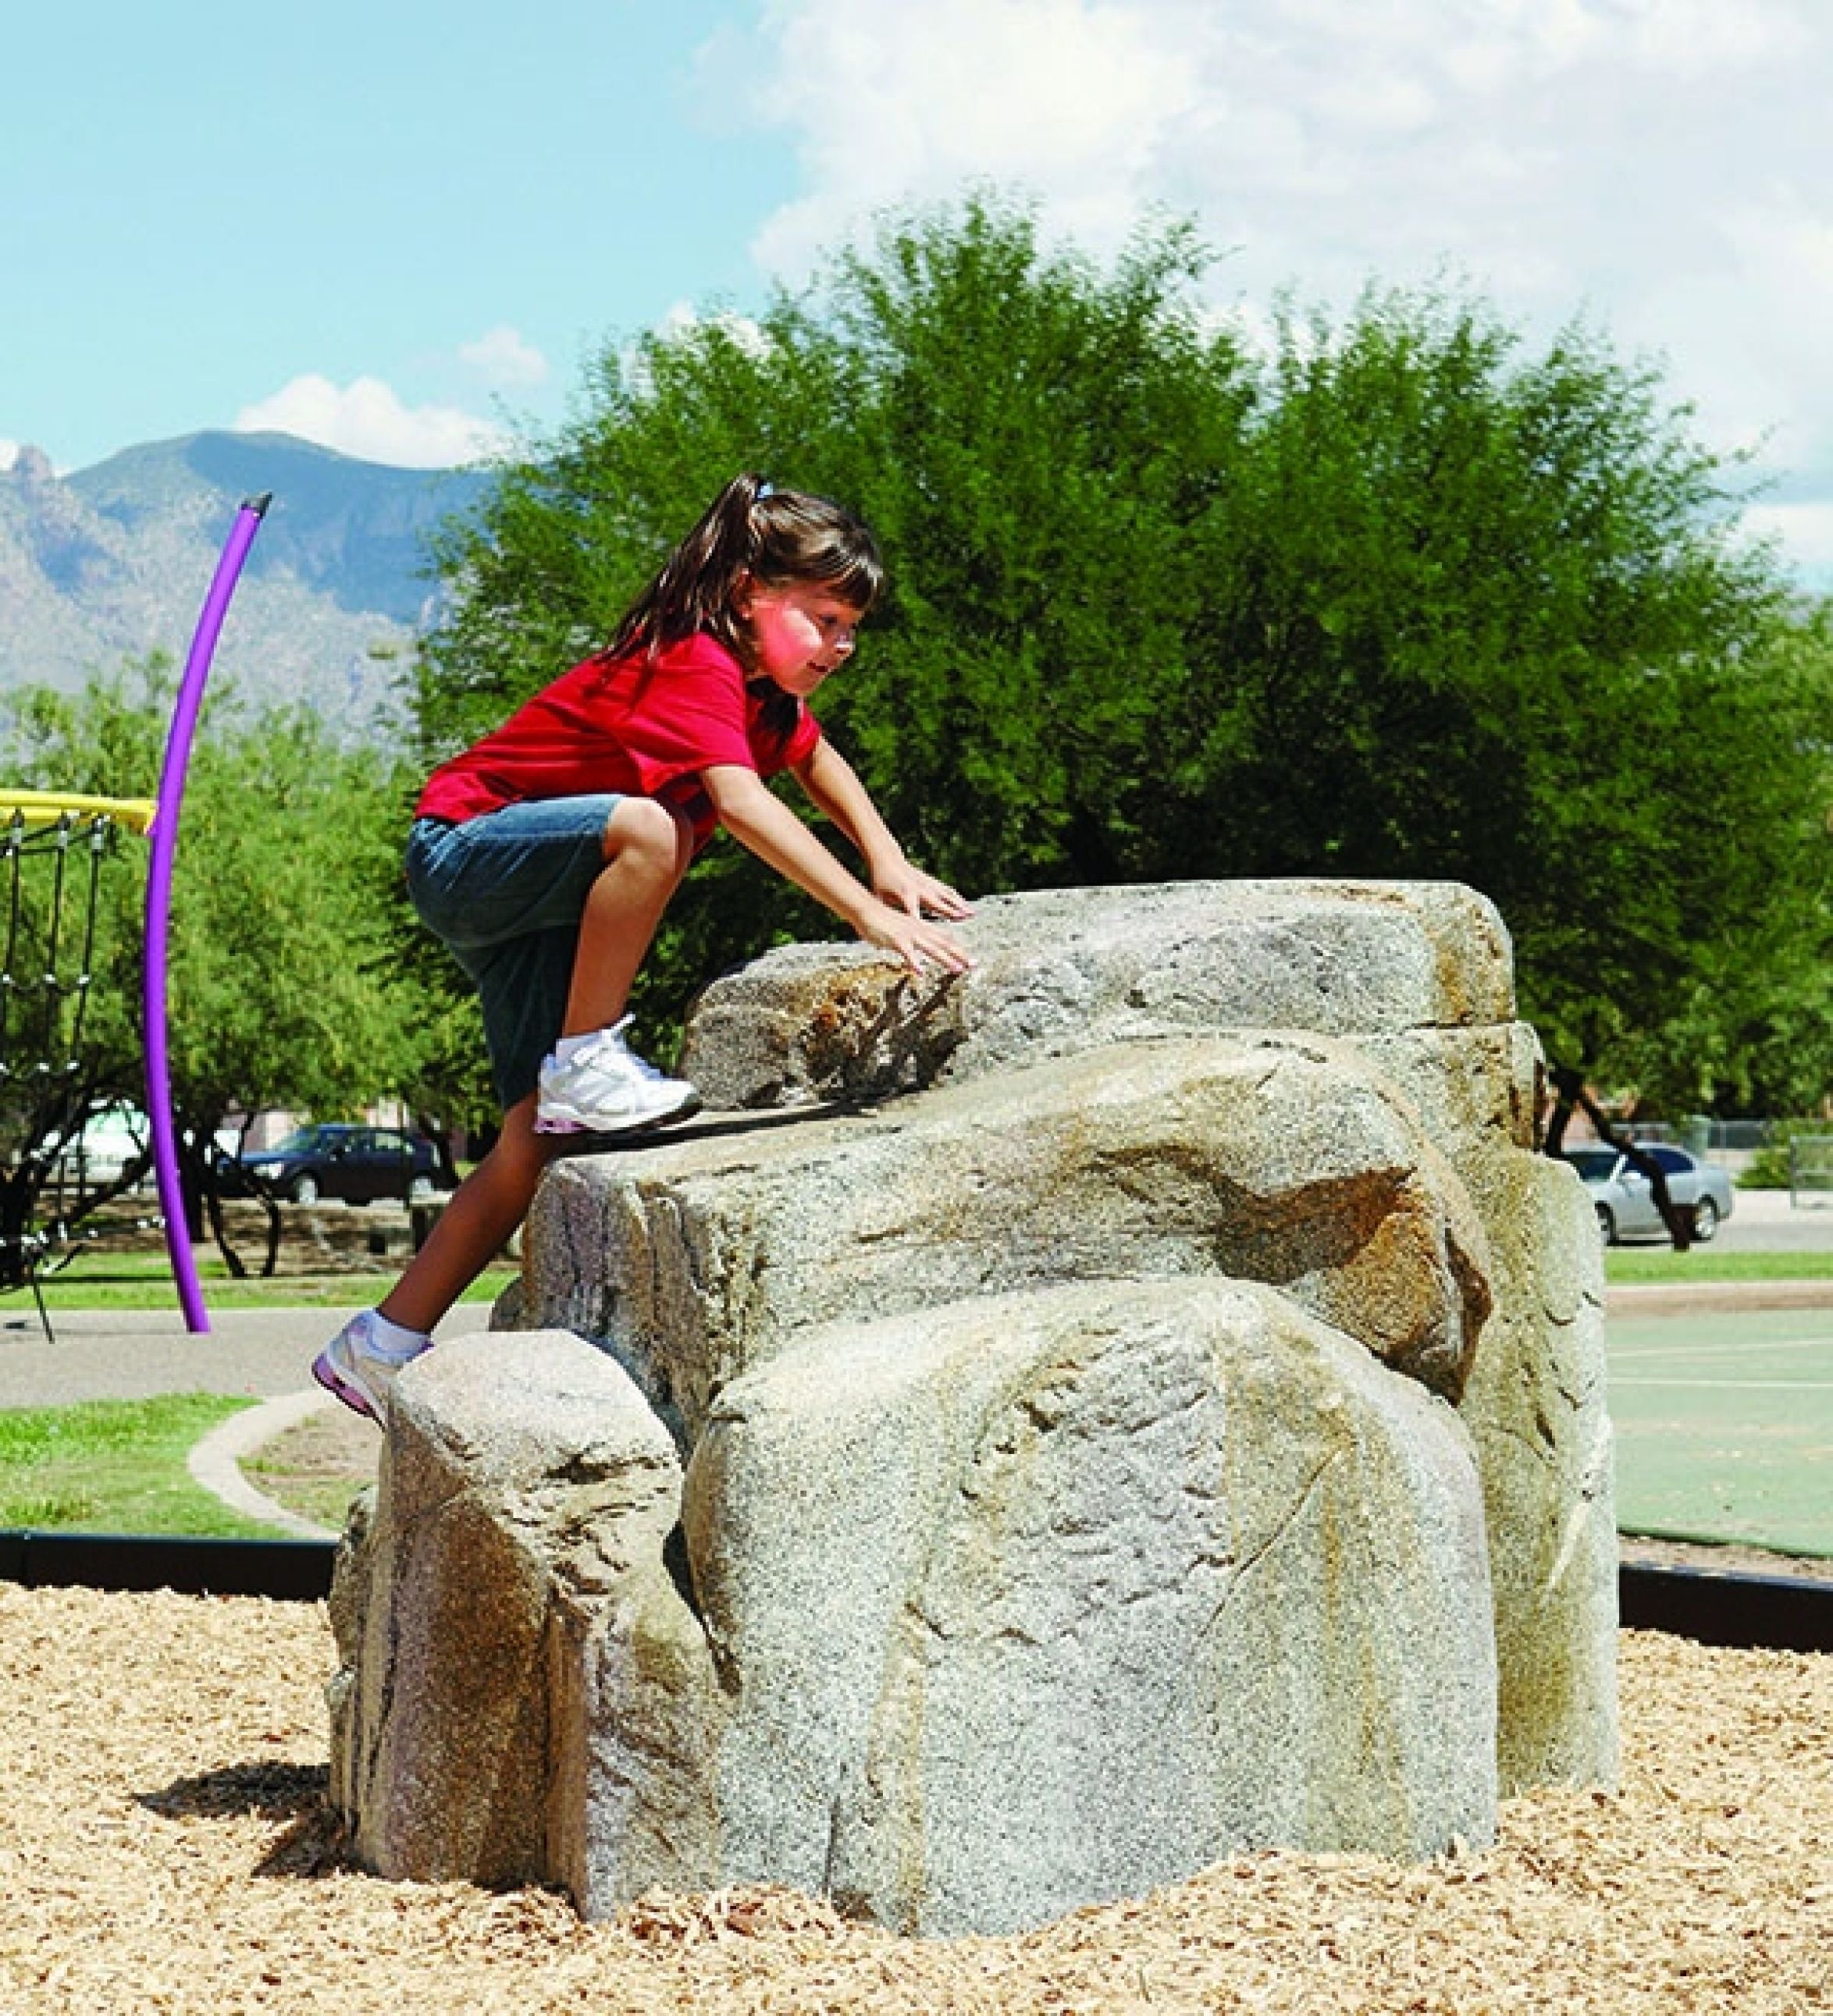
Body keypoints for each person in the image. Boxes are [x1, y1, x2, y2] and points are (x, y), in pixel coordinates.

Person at [313, 473, 973, 1421]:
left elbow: (815, 759)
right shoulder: (693, 661)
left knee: (532, 1139)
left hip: (543, 907)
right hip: (462, 853)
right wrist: (867, 917)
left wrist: (889, 861)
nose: (839, 645)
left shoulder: (761, 696)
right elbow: (743, 806)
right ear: (750, 593)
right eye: (822, 618)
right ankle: (589, 1057)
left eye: (850, 629)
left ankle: (380, 1344)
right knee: (653, 831)